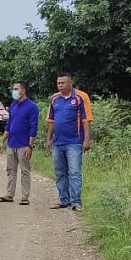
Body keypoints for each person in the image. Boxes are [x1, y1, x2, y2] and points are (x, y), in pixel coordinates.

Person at [45, 72, 93, 211]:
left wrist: (87, 140)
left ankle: (76, 202)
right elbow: (51, 120)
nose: (60, 85)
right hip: (57, 142)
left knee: (74, 172)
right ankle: (63, 200)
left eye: (63, 83)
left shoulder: (80, 97)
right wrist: (48, 139)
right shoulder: (54, 98)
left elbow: (86, 120)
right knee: (60, 172)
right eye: (58, 83)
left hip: (74, 142)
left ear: (70, 82)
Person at [0, 81, 39, 205]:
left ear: (23, 90)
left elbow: (33, 127)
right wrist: (2, 141)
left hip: (24, 144)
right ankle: (9, 194)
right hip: (11, 143)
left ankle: (25, 197)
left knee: (25, 170)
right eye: (13, 89)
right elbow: (9, 125)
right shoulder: (13, 106)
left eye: (16, 89)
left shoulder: (32, 107)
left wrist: (30, 146)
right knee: (10, 170)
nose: (13, 91)